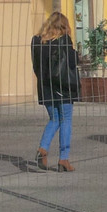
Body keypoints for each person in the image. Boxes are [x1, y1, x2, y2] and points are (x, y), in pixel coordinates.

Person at [30, 11, 80, 172]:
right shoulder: (63, 40)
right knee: (66, 120)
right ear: (64, 26)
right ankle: (63, 159)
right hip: (63, 86)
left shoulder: (36, 41)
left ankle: (43, 149)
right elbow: (72, 62)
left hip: (45, 87)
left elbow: (35, 66)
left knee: (54, 119)